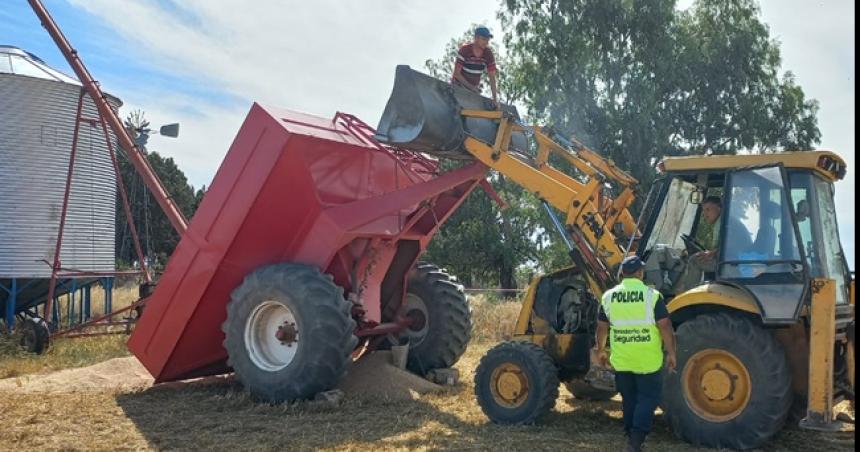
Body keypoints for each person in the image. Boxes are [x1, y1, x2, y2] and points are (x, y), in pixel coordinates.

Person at [595, 255, 677, 452]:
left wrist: (601, 350)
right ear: (640, 273)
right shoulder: (652, 296)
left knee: (629, 398)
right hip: (648, 360)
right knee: (647, 399)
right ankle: (636, 441)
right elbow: (664, 325)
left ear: (622, 273)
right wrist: (672, 352)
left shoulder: (608, 297)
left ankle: (629, 433)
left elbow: (601, 327)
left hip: (622, 360)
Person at [674, 195, 752, 292]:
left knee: (694, 261)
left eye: (708, 209)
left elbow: (731, 248)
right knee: (699, 257)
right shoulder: (725, 221)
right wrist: (711, 253)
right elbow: (727, 246)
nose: (704, 214)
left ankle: (687, 294)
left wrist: (713, 253)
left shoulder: (725, 223)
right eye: (703, 210)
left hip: (735, 266)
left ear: (719, 208)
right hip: (735, 263)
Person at [451, 25, 499, 107]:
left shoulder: (488, 54)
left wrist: (495, 99)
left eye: (488, 40)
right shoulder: (465, 50)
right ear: (476, 38)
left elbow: (492, 77)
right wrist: (471, 87)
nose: (486, 42)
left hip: (473, 90)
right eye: (484, 39)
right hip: (458, 86)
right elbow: (457, 74)